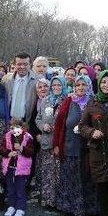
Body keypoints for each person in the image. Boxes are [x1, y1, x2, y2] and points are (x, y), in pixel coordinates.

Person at [78, 70, 108, 216]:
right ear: (99, 84)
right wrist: (91, 132)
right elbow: (82, 126)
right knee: (103, 188)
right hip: (98, 152)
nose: (106, 85)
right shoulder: (93, 102)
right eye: (103, 82)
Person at [53, 75, 97, 216]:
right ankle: (69, 208)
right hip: (69, 146)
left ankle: (88, 209)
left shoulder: (93, 101)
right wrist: (57, 144)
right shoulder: (68, 101)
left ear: (89, 86)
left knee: (86, 179)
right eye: (78, 85)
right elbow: (59, 124)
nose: (80, 88)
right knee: (69, 179)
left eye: (84, 85)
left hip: (87, 149)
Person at [35, 76, 66, 208]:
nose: (56, 88)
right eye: (54, 85)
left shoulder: (67, 101)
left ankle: (57, 201)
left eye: (59, 85)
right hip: (47, 141)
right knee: (46, 172)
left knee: (57, 174)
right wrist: (43, 126)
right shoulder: (46, 100)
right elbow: (38, 118)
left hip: (59, 142)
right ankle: (47, 199)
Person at [0, 119, 35, 216]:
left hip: (22, 168)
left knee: (20, 189)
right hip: (10, 167)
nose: (13, 130)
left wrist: (22, 148)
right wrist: (8, 153)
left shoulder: (27, 137)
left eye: (16, 128)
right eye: (11, 128)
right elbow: (1, 148)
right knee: (10, 189)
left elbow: (31, 152)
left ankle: (20, 208)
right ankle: (11, 206)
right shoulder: (7, 136)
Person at [3, 52, 38, 127]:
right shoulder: (6, 80)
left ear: (30, 65)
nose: (22, 67)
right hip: (9, 122)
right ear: (14, 65)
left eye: (25, 64)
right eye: (19, 64)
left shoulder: (37, 81)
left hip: (27, 123)